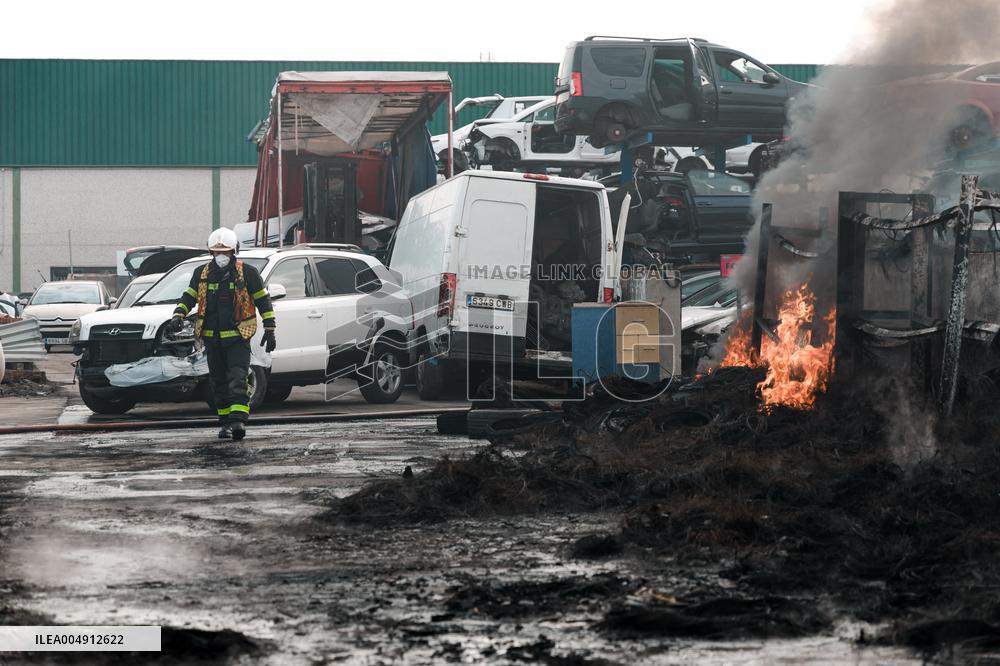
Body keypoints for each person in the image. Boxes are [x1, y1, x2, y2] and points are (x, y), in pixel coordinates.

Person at [167, 228, 276, 440]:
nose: (221, 256)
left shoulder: (248, 273)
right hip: (211, 339)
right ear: (211, 252)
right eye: (217, 252)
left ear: (234, 251)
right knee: (218, 382)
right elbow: (189, 296)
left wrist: (270, 328)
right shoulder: (201, 274)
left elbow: (263, 300)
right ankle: (225, 423)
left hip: (238, 338)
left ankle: (238, 422)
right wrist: (178, 314)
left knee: (238, 379)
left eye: (225, 252)